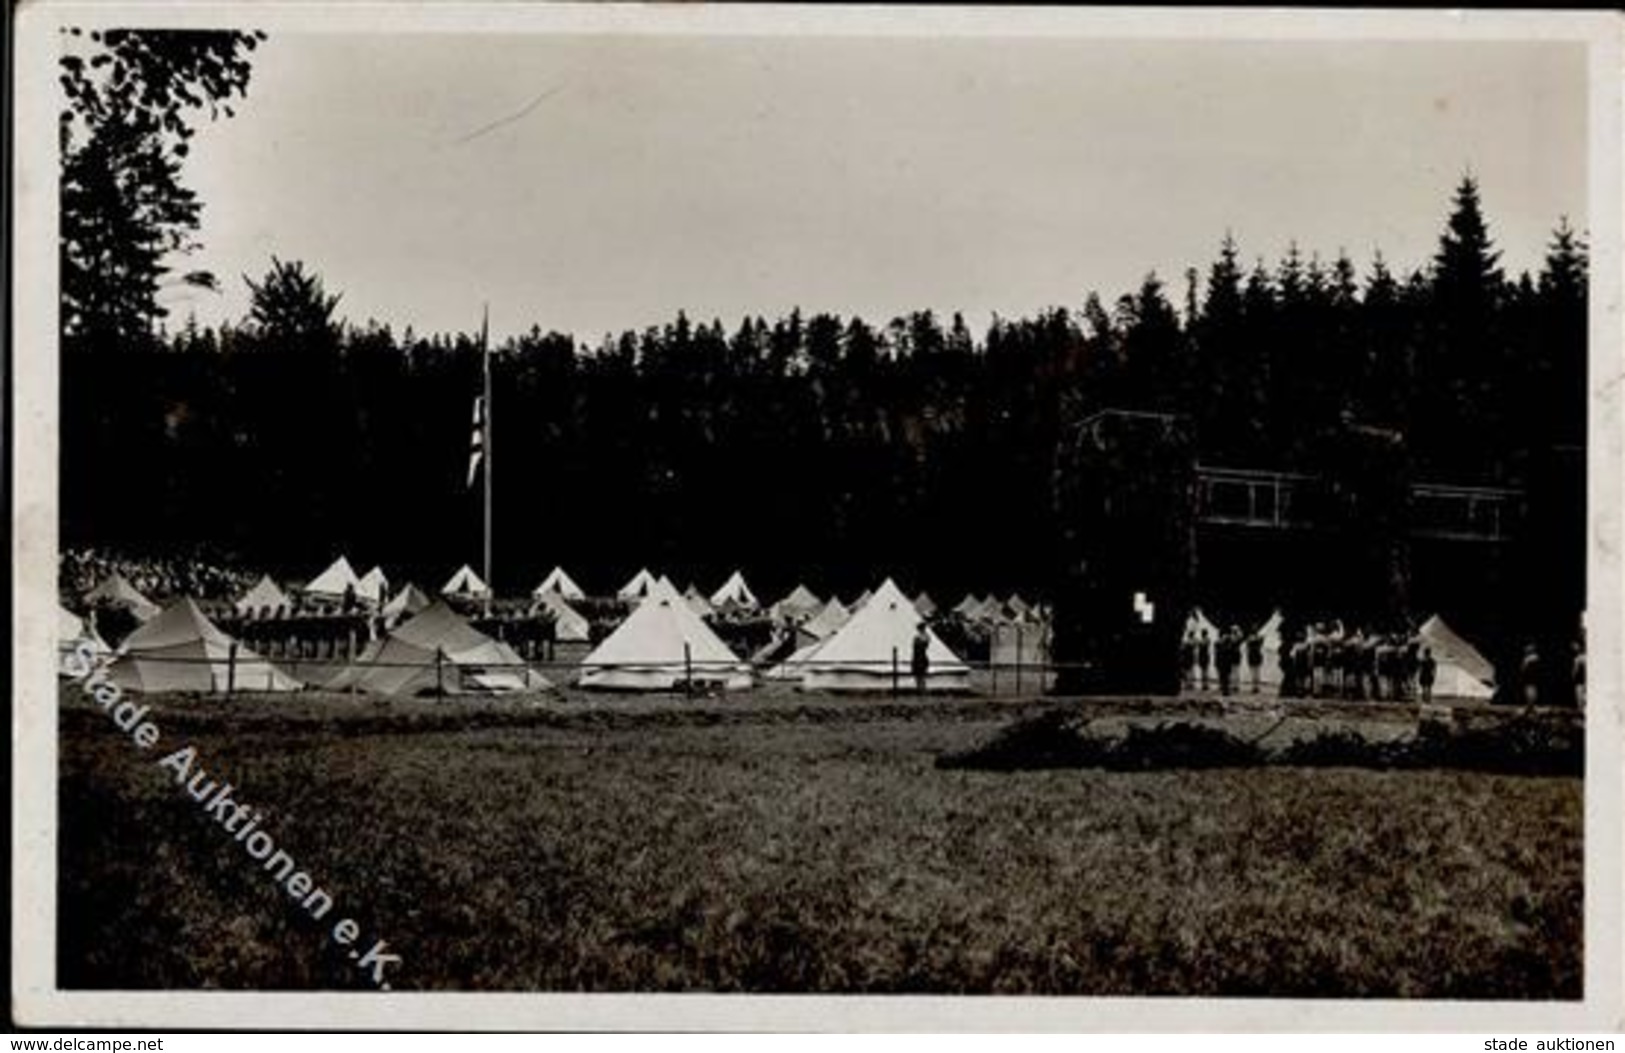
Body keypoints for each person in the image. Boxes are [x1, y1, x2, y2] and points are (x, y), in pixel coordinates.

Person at [911, 622, 930, 695]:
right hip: (919, 656)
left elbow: (917, 647)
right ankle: (920, 689)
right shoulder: (924, 637)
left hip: (920, 656)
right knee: (920, 675)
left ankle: (921, 689)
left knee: (921, 675)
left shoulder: (919, 637)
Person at [1521, 643, 1542, 707]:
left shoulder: (1529, 659)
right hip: (1533, 677)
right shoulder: (1536, 657)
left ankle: (1530, 703)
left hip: (1529, 676)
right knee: (1532, 689)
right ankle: (1531, 703)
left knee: (1530, 689)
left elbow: (1523, 668)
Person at [1244, 629, 1264, 694]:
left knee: (1254, 673)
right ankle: (1256, 687)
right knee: (1256, 673)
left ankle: (1254, 687)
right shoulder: (1258, 641)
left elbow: (1248, 647)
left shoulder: (1250, 641)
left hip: (1252, 658)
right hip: (1256, 658)